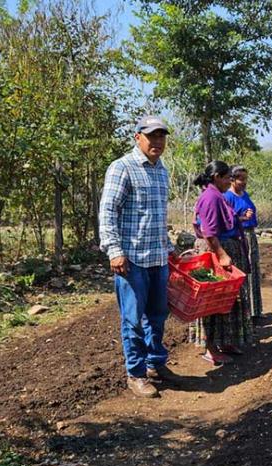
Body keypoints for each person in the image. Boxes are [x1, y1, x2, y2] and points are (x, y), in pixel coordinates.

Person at [99, 115, 177, 398]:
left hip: (157, 258)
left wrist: (168, 246)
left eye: (161, 136)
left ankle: (156, 364)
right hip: (131, 261)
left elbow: (156, 216)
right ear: (138, 138)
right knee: (132, 319)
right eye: (151, 136)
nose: (157, 141)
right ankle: (136, 373)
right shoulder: (122, 168)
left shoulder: (161, 171)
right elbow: (108, 211)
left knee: (157, 316)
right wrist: (114, 251)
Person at [193, 160, 254, 366]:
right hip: (216, 253)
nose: (230, 180)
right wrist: (222, 255)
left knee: (227, 300)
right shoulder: (210, 197)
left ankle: (225, 342)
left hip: (225, 248)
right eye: (228, 177)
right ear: (217, 177)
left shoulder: (216, 195)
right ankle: (211, 348)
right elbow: (209, 232)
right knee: (213, 301)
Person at [224, 166, 263, 322]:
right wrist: (243, 218)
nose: (244, 182)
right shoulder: (227, 197)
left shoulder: (244, 194)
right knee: (243, 272)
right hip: (239, 237)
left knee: (253, 270)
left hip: (250, 235)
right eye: (241, 179)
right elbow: (226, 221)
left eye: (246, 179)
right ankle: (245, 313)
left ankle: (255, 310)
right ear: (232, 179)